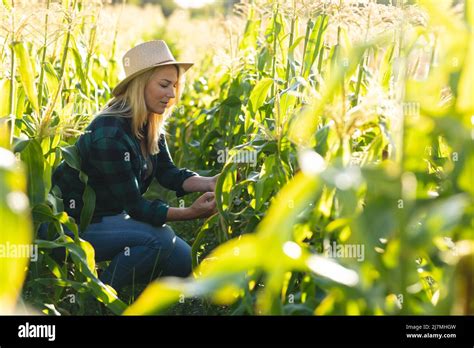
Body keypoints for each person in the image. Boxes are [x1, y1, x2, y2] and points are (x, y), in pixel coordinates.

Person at [38, 40, 218, 292]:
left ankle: (142, 287)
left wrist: (212, 182)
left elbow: (168, 173)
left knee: (184, 262)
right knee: (160, 241)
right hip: (73, 224)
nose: (172, 94)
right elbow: (136, 207)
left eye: (175, 86)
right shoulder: (109, 133)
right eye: (164, 85)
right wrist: (191, 212)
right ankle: (97, 294)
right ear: (140, 84)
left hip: (110, 215)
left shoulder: (149, 122)